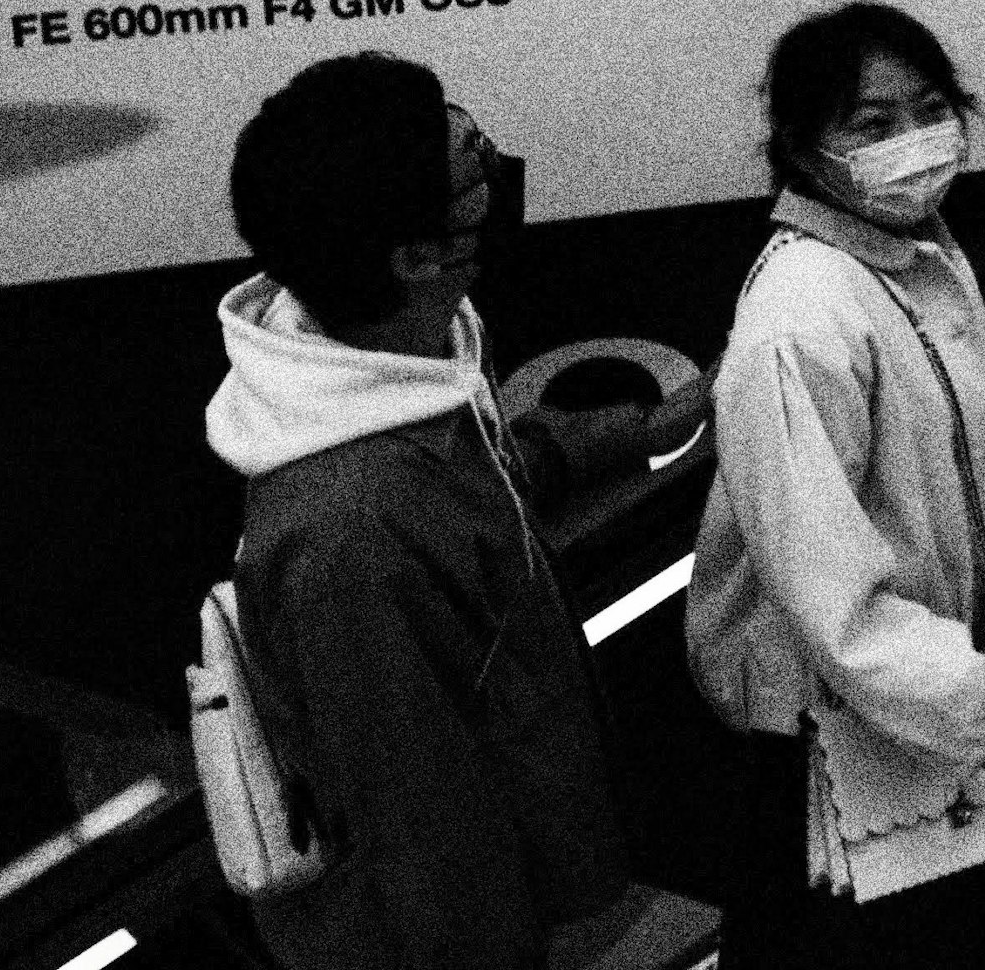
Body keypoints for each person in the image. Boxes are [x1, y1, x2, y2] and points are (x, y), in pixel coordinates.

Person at [209, 55, 697, 970]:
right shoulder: (344, 547)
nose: (495, 162)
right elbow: (427, 840)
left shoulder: (391, 362)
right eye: (475, 166)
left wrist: (622, 435)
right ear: (417, 257)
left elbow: (469, 484)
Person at [686, 3, 985, 970]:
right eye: (871, 125)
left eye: (929, 108)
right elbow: (829, 594)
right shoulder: (800, 318)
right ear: (804, 151)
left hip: (920, 729)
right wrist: (982, 711)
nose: (913, 142)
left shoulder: (924, 266)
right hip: (822, 755)